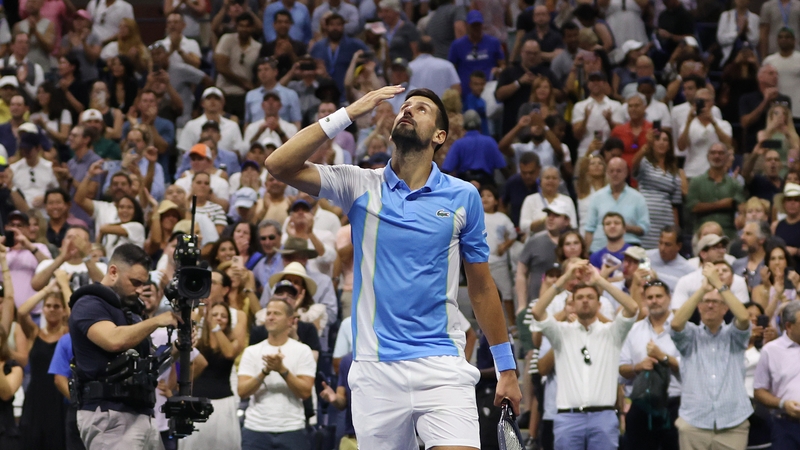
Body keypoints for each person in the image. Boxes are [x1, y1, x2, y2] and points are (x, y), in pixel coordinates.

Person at [264, 85, 522, 446]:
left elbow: (481, 288)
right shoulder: (358, 184)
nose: (408, 111)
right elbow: (279, 164)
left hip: (442, 364)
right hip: (375, 371)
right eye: (405, 107)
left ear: (439, 135)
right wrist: (349, 113)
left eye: (421, 109)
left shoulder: (464, 196)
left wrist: (506, 368)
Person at [69, 244, 179, 449]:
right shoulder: (89, 303)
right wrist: (155, 321)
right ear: (113, 272)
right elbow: (113, 340)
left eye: (143, 283)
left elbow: (150, 368)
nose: (139, 290)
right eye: (134, 282)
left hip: (142, 413)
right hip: (109, 414)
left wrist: (179, 346)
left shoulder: (132, 312)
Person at [531, 259, 639, 450]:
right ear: (571, 303)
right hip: (568, 417)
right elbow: (538, 312)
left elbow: (632, 308)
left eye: (590, 296)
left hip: (603, 417)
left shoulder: (612, 332)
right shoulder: (561, 332)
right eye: (579, 297)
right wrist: (566, 277)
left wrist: (600, 281)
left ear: (599, 303)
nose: (585, 300)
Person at [671, 263, 753, 449]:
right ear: (698, 307)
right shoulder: (690, 336)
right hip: (694, 422)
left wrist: (719, 285)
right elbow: (676, 324)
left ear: (725, 308)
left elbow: (744, 318)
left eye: (715, 302)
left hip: (732, 423)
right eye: (705, 302)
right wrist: (703, 289)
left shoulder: (734, 336)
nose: (709, 305)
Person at [237, 299, 316, 450]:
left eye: (276, 314)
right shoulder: (252, 351)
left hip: (292, 429)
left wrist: (282, 370)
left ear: (290, 321)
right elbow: (242, 391)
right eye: (268, 313)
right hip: (256, 429)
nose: (270, 317)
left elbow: (305, 392)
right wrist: (265, 371)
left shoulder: (303, 351)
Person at [619, 278, 681, 449]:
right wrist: (638, 367)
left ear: (669, 297)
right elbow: (621, 370)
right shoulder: (633, 330)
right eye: (650, 297)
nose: (654, 301)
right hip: (641, 405)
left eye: (659, 296)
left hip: (674, 404)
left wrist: (663, 358)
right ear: (645, 300)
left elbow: (690, 368)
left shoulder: (682, 328)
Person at [17, 266, 70, 450]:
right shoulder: (34, 333)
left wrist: (64, 286)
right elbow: (22, 312)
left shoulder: (67, 333)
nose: (52, 309)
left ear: (63, 310)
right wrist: (47, 290)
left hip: (58, 397)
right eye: (48, 306)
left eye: (57, 306)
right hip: (35, 398)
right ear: (43, 309)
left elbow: (76, 317)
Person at [753, 301, 800, 447]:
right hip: (786, 426)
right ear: (788, 326)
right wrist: (782, 404)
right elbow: (759, 391)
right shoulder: (771, 351)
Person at [584, 157, 650, 253]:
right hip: (599, 249)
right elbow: (589, 229)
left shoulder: (638, 198)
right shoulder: (596, 197)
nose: (615, 174)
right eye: (611, 171)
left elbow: (645, 228)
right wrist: (587, 254)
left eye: (619, 171)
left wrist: (625, 228)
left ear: (626, 173)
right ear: (607, 173)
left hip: (629, 250)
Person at [633, 129, 684, 249]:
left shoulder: (674, 170)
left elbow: (675, 204)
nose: (661, 142)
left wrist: (676, 230)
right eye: (658, 139)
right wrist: (645, 146)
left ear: (670, 145)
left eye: (665, 140)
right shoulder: (645, 163)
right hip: (646, 217)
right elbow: (634, 166)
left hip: (666, 219)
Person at [516, 197, 571, 307]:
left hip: (567, 305)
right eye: (549, 215)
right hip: (536, 303)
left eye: (556, 215)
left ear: (566, 221)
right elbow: (521, 273)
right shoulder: (534, 241)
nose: (550, 218)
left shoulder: (573, 243)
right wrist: (521, 305)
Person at [686, 143, 746, 239]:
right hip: (702, 233)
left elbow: (742, 208)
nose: (716, 156)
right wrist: (721, 204)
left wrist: (741, 216)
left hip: (727, 234)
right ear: (707, 156)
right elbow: (692, 207)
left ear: (726, 157)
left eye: (721, 153)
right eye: (713, 153)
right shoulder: (696, 182)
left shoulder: (735, 184)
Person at [678, 88, 733, 179]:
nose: (703, 104)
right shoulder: (687, 124)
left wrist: (713, 122)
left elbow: (728, 144)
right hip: (692, 173)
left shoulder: (723, 124)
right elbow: (681, 147)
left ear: (712, 103)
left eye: (706, 101)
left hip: (716, 174)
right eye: (700, 101)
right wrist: (688, 122)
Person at [441, 110, 505, 183]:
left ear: (464, 126)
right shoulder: (490, 142)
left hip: (464, 184)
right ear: (480, 125)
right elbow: (502, 167)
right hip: (486, 185)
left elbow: (446, 169)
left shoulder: (458, 144)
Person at [740, 65, 792, 153]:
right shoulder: (747, 98)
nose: (775, 76)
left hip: (778, 146)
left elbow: (788, 123)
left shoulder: (785, 99)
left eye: (776, 74)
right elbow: (745, 123)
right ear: (760, 77)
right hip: (755, 147)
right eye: (771, 73)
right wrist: (765, 101)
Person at [572, 72, 622, 160]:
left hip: (609, 155)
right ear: (588, 84)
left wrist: (609, 121)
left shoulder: (615, 105)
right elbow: (577, 135)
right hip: (586, 152)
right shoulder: (579, 106)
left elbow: (620, 134)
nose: (595, 83)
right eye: (592, 80)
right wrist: (585, 119)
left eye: (598, 80)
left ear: (605, 83)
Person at [763, 27, 800, 119]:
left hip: (797, 109)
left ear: (794, 40)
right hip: (776, 109)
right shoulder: (769, 60)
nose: (784, 39)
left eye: (787, 37)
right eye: (781, 37)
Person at [646, 226, 695, 293]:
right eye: (660, 243)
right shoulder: (645, 257)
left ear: (679, 246)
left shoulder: (689, 271)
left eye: (667, 245)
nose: (662, 248)